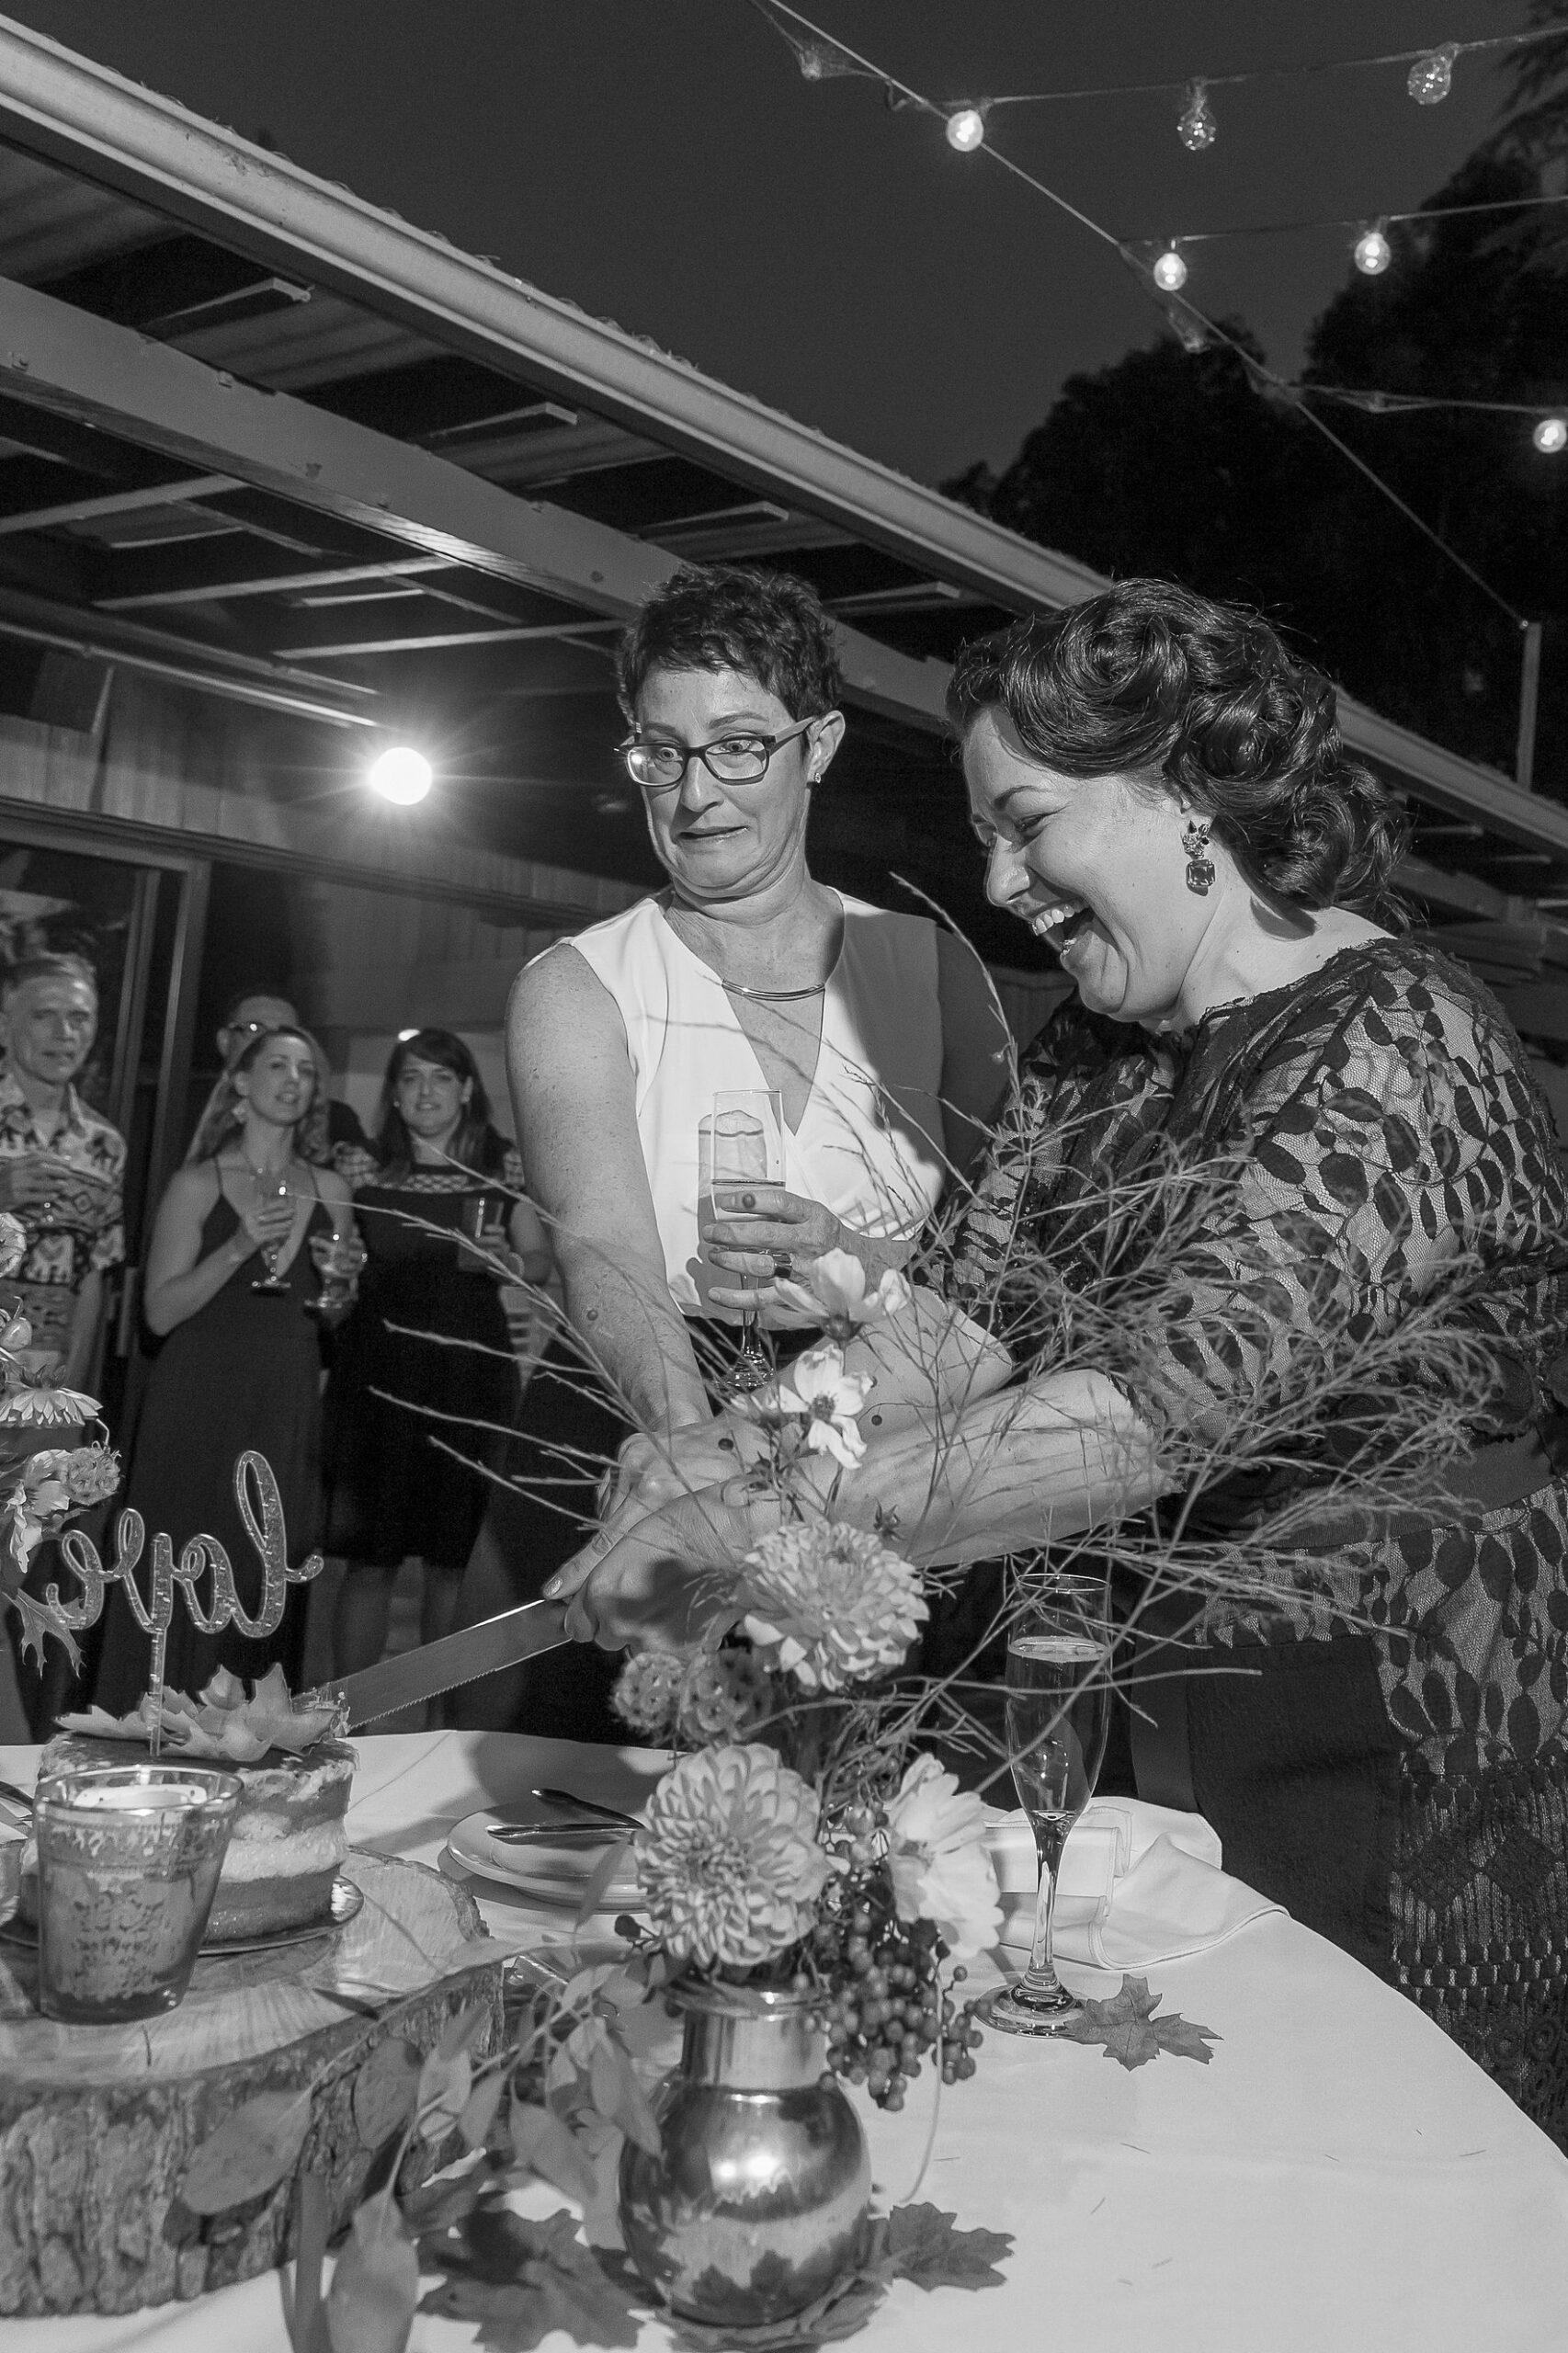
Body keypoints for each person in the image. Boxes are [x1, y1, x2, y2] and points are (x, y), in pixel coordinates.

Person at [554, 579, 1568, 2151]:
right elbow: (950, 1327)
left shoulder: (1401, 1042)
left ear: (1186, 790)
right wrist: (737, 1445)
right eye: (983, 836)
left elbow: (1148, 1413)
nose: (999, 881)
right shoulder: (1101, 1053)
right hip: (1157, 1741)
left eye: (1027, 825)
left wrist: (765, 1532)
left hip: (1398, 1753)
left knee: (1359, 2166)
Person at [472, 564, 1009, 1734]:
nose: (694, 792)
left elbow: (1010, 1254)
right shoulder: (576, 985)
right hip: (647, 1415)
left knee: (862, 1788)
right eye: (660, 753)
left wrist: (857, 1260)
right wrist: (690, 1449)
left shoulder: (934, 971)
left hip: (879, 1419)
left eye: (736, 747)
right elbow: (602, 1242)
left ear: (819, 747)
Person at [92, 1027, 354, 1711]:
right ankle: (152, 1717)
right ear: (240, 1083)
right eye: (277, 1065)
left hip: (284, 1394)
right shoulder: (197, 1183)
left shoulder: (331, 1189)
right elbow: (158, 1313)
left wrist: (343, 1290)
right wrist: (237, 1246)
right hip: (198, 1394)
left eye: (305, 1069)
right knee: (182, 1558)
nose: (292, 1079)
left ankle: (245, 1731)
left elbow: (331, 1317)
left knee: (262, 1563)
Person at [324, 1028, 552, 1680]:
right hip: (378, 1374)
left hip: (469, 1377)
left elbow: (539, 1258)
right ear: (394, 1094)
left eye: (441, 1077)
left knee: (455, 1560)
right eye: (411, 1077)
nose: (426, 1091)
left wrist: (511, 1263)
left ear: (467, 1088)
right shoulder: (361, 1167)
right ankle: (348, 1719)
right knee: (370, 1560)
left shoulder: (502, 1166)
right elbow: (337, 1260)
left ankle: (441, 1718)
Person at [0, 953, 128, 1732]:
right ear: (5, 1020)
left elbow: (95, 1281)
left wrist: (71, 1407)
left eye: (79, 1017)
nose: (64, 1032)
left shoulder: (103, 1144)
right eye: (44, 1014)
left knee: (21, 1583)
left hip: (42, 1405)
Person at [197, 986, 369, 1162]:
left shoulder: (335, 1123)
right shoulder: (185, 1103)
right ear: (225, 1041)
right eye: (254, 1029)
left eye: (284, 1033)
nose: (270, 1041)